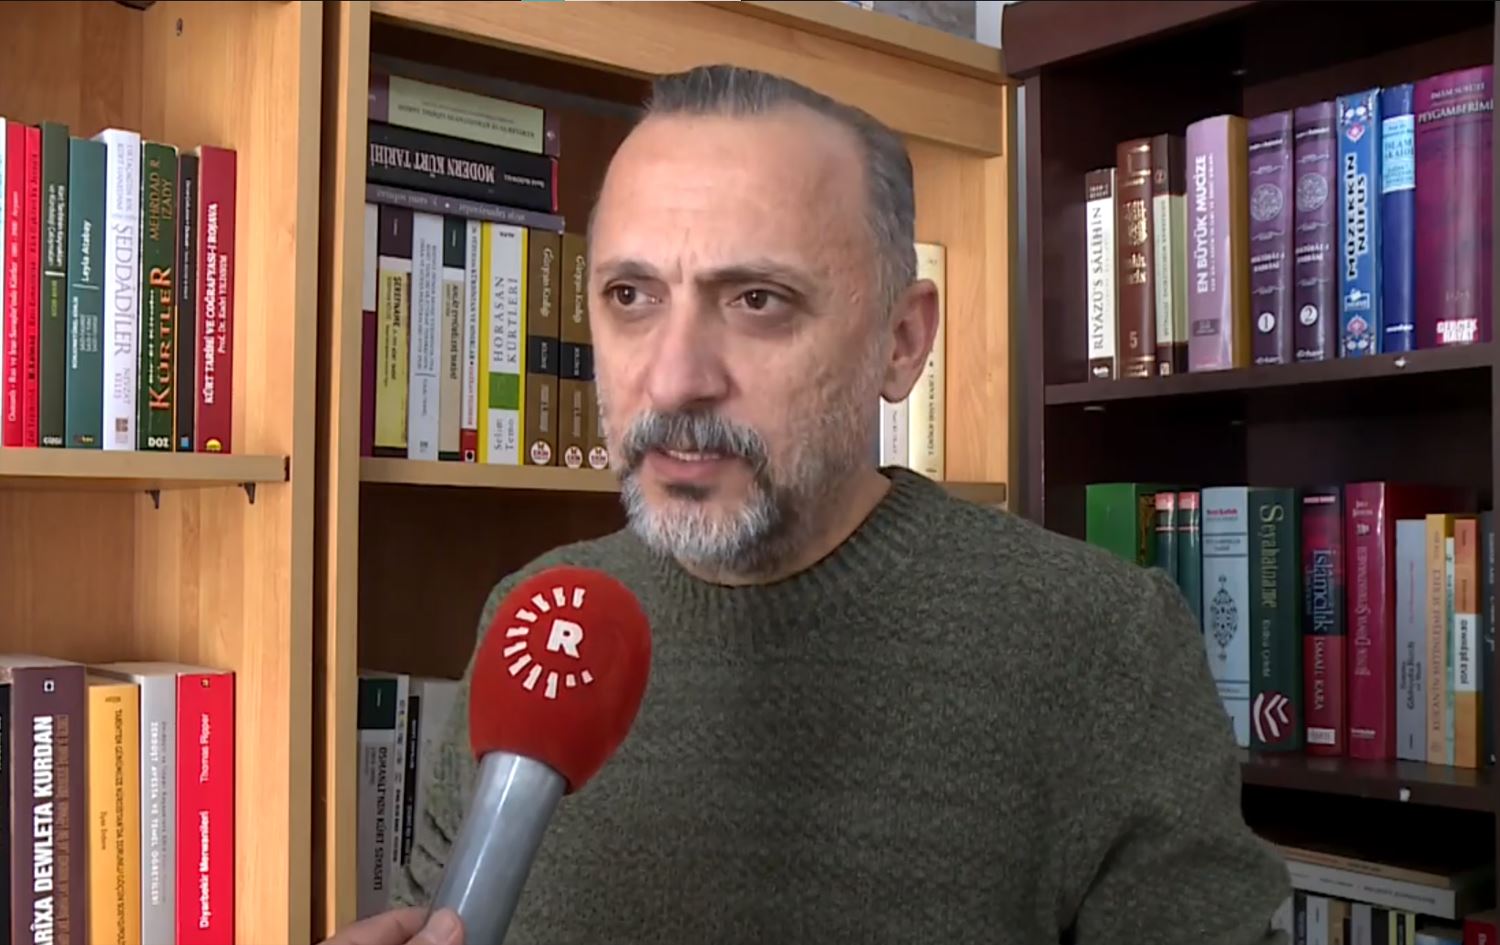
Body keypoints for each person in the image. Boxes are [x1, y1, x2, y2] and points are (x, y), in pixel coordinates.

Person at [326, 63, 1292, 945]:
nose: (674, 377)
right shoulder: (535, 615)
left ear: (902, 343)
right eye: (630, 295)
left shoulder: (1103, 643)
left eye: (756, 300)